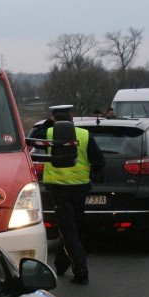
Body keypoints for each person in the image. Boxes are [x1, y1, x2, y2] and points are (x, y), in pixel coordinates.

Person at [43, 104, 105, 285]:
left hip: (59, 190)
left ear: (54, 119)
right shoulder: (84, 135)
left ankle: (81, 270)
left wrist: (50, 122)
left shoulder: (48, 133)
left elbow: (30, 137)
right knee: (73, 228)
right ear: (72, 118)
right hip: (80, 189)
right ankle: (61, 264)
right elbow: (99, 162)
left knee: (67, 230)